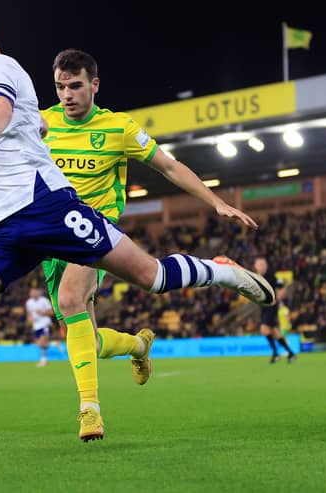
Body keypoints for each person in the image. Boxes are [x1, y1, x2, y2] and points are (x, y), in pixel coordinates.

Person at [0, 4, 275, 450]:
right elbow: (21, 121)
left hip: (45, 210)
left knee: (150, 276)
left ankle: (225, 272)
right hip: (3, 228)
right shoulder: (11, 89)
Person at [40, 48, 271, 388]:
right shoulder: (42, 123)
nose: (66, 95)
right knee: (86, 341)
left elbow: (169, 166)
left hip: (95, 230)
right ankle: (138, 345)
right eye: (60, 87)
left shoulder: (119, 127)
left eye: (75, 86)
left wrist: (216, 202)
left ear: (95, 84)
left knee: (71, 298)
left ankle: (90, 410)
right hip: (51, 239)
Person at [253, 257, 296, 364]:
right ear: (255, 266)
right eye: (260, 264)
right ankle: (290, 353)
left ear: (266, 266)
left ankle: (276, 353)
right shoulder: (256, 277)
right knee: (274, 332)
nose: (262, 266)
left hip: (271, 307)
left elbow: (282, 288)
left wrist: (277, 299)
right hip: (263, 307)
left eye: (263, 264)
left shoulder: (271, 276)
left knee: (264, 329)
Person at [25, 286, 55, 367]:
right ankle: (54, 344)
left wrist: (42, 313)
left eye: (34, 292)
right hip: (36, 326)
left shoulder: (44, 300)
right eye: (31, 292)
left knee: (42, 342)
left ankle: (43, 360)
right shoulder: (29, 302)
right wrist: (29, 319)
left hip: (45, 324)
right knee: (39, 344)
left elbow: (51, 312)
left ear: (38, 292)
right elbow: (29, 314)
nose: (32, 293)